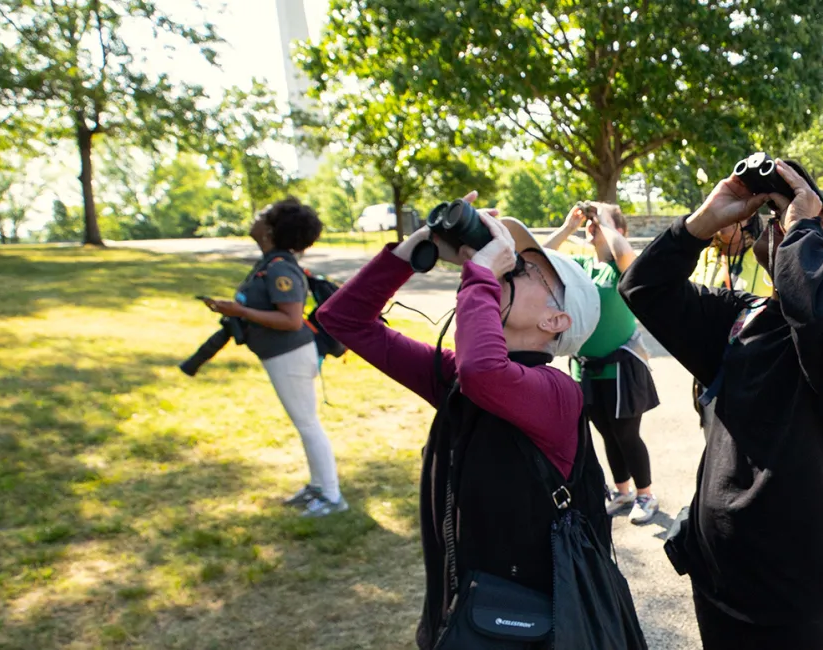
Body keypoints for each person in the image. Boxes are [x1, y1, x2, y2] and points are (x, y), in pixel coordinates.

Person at [315, 198, 617, 650]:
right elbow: (343, 320)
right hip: (461, 612)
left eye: (527, 269)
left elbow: (484, 372)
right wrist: (420, 245)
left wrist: (480, 276)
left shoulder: (557, 394)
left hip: (532, 624)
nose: (509, 266)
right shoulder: (460, 377)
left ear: (555, 320)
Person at [619, 161, 823, 649]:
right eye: (785, 214)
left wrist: (801, 224)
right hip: (720, 576)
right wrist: (706, 220)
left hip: (799, 596)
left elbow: (818, 315)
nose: (785, 219)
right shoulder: (742, 317)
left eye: (813, 218)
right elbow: (644, 287)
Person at [200, 198, 344, 517]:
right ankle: (318, 487)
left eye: (263, 216)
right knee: (305, 423)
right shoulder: (271, 262)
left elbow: (291, 319)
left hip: (290, 355)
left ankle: (332, 496)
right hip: (282, 356)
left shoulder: (279, 267)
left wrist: (238, 311)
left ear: (271, 230)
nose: (255, 218)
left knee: (308, 425)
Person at [543, 201, 661, 525]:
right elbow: (537, 257)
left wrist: (606, 218)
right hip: (587, 368)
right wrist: (569, 227)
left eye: (602, 225)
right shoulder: (580, 265)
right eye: (591, 225)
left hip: (622, 368)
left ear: (617, 231)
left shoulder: (623, 268)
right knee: (606, 434)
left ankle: (646, 494)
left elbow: (623, 253)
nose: (592, 228)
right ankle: (622, 491)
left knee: (627, 435)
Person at [688, 209, 774, 425]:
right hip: (711, 369)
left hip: (754, 371)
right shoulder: (706, 256)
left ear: (750, 218)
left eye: (734, 209)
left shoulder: (763, 254)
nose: (725, 216)